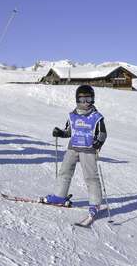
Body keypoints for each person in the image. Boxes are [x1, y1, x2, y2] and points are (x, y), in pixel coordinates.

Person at [43, 85, 107, 218]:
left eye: (88, 99)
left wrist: (98, 142)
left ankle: (95, 203)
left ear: (93, 100)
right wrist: (60, 133)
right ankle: (60, 196)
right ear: (77, 100)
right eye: (82, 100)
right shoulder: (72, 116)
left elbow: (102, 134)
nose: (85, 103)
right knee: (65, 171)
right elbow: (69, 132)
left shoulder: (97, 117)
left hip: (88, 150)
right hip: (73, 148)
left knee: (91, 177)